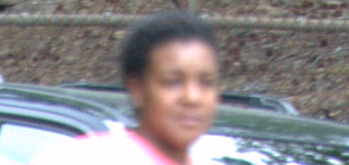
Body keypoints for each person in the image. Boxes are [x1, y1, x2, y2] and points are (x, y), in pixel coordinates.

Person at [39, 11, 222, 165]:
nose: (192, 97)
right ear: (138, 88)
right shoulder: (83, 159)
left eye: (206, 82)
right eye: (173, 82)